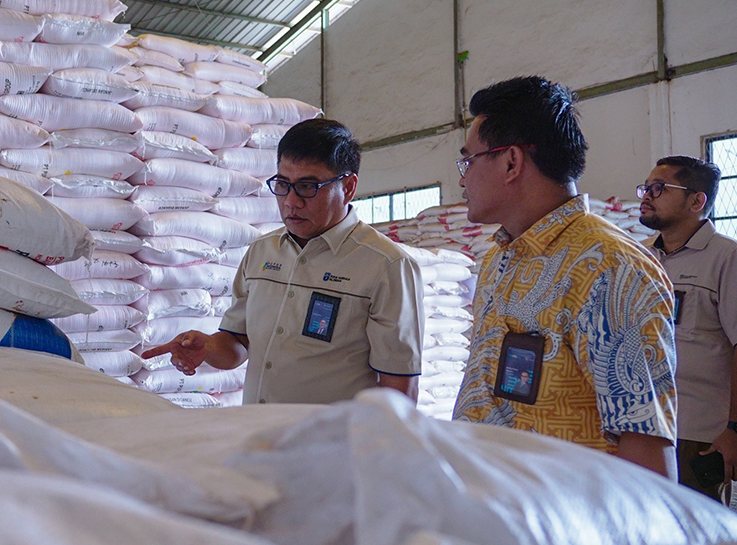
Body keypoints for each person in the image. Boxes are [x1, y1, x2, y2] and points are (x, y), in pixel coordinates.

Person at [452, 76, 678, 478]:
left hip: (567, 527)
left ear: (511, 162)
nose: (461, 179)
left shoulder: (610, 267)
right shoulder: (498, 261)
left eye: (468, 161)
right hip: (492, 515)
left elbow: (644, 445)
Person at [142, 119, 424, 405]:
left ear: (348, 187)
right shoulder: (262, 253)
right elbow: (239, 343)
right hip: (261, 437)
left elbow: (399, 390)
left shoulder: (386, 266)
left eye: (307, 186)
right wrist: (208, 347)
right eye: (282, 184)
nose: (291, 201)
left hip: (332, 445)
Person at [639, 156, 737, 501]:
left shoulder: (726, 258)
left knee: (699, 541)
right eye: (646, 187)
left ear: (697, 201)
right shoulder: (642, 259)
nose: (646, 195)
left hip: (700, 435)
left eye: (659, 188)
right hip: (647, 427)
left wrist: (733, 430)